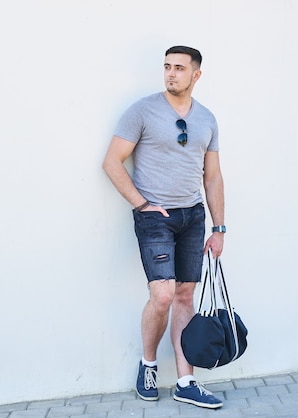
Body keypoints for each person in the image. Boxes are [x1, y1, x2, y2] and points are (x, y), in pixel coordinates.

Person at [102, 46, 226, 409]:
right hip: (155, 217)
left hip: (193, 216)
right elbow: (111, 162)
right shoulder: (142, 110)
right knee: (163, 296)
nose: (171, 74)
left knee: (185, 295)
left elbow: (214, 177)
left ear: (196, 75)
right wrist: (142, 204)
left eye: (179, 68)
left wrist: (219, 228)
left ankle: (186, 381)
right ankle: (149, 364)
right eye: (167, 67)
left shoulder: (207, 119)